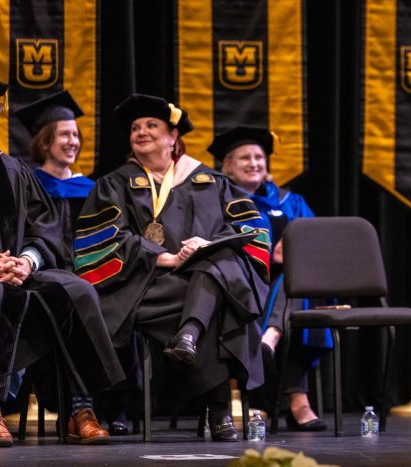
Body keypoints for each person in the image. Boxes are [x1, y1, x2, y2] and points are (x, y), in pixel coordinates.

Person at [74, 94, 271, 442]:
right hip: (141, 286)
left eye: (151, 125)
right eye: (135, 128)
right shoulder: (114, 184)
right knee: (220, 295)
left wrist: (206, 247)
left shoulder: (211, 181)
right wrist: (164, 257)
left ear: (173, 137)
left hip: (200, 279)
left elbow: (252, 231)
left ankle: (189, 338)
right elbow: (101, 242)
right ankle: (219, 407)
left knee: (217, 267)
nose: (141, 132)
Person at [0, 79, 125, 447]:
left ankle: (80, 409)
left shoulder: (13, 171)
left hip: (17, 273)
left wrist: (25, 261)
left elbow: (43, 230)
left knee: (75, 289)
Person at [208, 126, 331, 432]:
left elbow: (317, 240)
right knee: (293, 291)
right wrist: (262, 257)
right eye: (244, 158)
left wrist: (293, 250)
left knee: (295, 281)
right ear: (227, 166)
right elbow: (210, 245)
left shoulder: (290, 201)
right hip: (240, 287)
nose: (254, 163)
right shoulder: (218, 201)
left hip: (293, 286)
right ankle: (299, 401)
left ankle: (271, 337)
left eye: (259, 157)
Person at [15, 90, 95, 272]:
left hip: (88, 274)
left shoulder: (91, 189)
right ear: (44, 142)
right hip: (38, 275)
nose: (73, 141)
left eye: (76, 135)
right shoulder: (28, 187)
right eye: (65, 134)